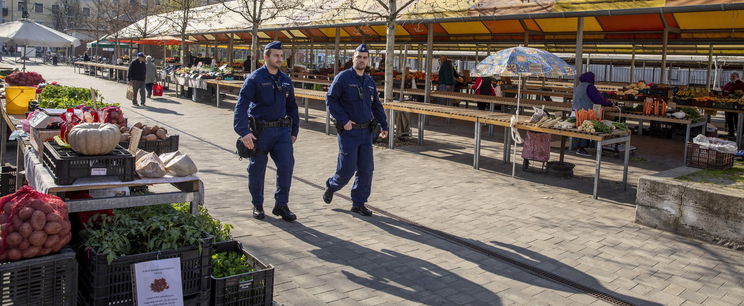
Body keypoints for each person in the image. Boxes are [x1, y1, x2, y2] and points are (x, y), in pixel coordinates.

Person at [234, 41, 300, 222]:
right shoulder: (255, 79)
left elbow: (292, 107)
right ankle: (257, 204)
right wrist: (243, 131)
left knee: (286, 166)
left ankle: (281, 205)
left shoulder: (285, 80)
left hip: (282, 133)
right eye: (276, 56)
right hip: (260, 133)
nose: (280, 59)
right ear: (266, 57)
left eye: (281, 56)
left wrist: (294, 131)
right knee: (257, 169)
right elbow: (241, 106)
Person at [322, 44, 389, 217]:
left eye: (365, 58)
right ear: (353, 58)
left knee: (366, 170)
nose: (361, 60)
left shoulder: (368, 81)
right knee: (347, 169)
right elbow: (331, 100)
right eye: (359, 57)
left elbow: (376, 105)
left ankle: (358, 203)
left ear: (368, 60)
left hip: (366, 132)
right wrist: (343, 120)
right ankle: (332, 185)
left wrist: (384, 125)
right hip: (349, 133)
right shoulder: (343, 78)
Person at [571, 71, 613, 156]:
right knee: (585, 129)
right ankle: (581, 149)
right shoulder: (590, 87)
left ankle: (578, 148)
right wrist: (609, 103)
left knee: (578, 129)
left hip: (575, 111)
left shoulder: (579, 86)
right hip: (585, 112)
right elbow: (598, 100)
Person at [721, 72, 744, 139]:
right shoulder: (729, 83)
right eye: (731, 76)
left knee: (737, 120)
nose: (731, 78)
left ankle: (739, 135)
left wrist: (735, 95)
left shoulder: (741, 84)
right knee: (729, 119)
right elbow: (724, 90)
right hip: (728, 104)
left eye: (733, 76)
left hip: (737, 105)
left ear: (737, 77)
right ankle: (731, 133)